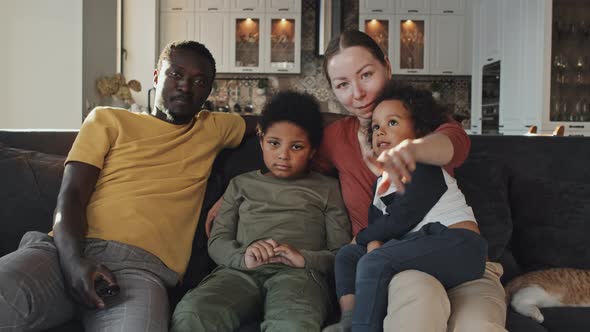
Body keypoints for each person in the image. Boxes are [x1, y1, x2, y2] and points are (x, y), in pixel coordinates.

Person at [0, 40, 255, 331]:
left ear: (208, 91)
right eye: (176, 74)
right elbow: (71, 195)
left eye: (199, 81)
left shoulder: (215, 127)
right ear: (157, 76)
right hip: (64, 252)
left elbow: (281, 127)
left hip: (140, 272)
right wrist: (73, 262)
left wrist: (238, 190)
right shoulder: (108, 119)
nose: (185, 86)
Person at [318, 29, 506, 332]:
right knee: (414, 307)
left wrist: (412, 149)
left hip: (457, 255)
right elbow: (288, 158)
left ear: (388, 68)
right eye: (342, 84)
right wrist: (237, 190)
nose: (357, 93)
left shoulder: (425, 125)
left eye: (366, 75)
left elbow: (452, 144)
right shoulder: (335, 139)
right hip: (398, 263)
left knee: (479, 325)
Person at [170, 91, 351, 332]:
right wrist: (243, 257)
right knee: (191, 313)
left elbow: (340, 253)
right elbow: (217, 241)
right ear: (261, 139)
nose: (283, 155)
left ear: (313, 151)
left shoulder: (328, 189)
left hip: (300, 276)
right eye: (274, 143)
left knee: (293, 325)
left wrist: (303, 258)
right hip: (239, 271)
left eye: (296, 147)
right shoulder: (240, 184)